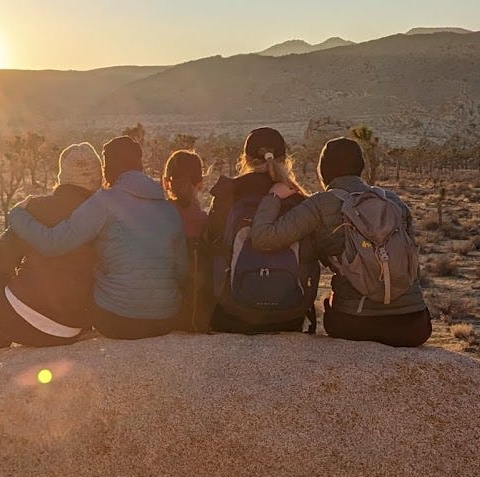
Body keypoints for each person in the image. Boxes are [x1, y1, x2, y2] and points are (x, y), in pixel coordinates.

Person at [250, 137, 432, 347]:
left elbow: (264, 238)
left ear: (322, 171)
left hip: (355, 323)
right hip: (415, 326)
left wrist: (273, 197)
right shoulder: (392, 201)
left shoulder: (319, 204)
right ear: (361, 168)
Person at [6, 135, 187, 340]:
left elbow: (53, 244)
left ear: (107, 169)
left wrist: (17, 215)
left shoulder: (105, 202)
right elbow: (181, 271)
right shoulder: (168, 209)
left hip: (118, 320)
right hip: (165, 319)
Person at [0, 142, 103, 360]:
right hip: (72, 329)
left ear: (61, 177)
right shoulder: (105, 216)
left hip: (21, 324)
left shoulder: (37, 208)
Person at [201, 127, 318, 334]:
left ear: (245, 159)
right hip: (288, 316)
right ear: (285, 160)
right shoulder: (295, 197)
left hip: (233, 314)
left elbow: (211, 243)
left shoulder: (227, 192)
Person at [163, 150, 209, 331]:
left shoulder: (157, 219)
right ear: (201, 184)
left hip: (165, 309)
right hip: (198, 310)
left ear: (166, 183)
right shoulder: (206, 221)